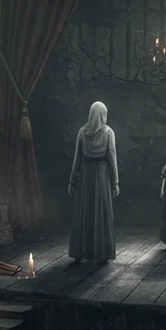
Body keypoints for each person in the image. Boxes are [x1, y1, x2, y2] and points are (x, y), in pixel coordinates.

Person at [67, 101, 119, 265]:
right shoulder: (108, 132)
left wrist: (72, 181)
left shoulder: (83, 131)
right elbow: (112, 157)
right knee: (101, 212)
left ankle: (79, 253)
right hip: (101, 176)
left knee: (84, 212)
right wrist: (115, 181)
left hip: (84, 175)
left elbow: (78, 158)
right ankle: (101, 253)